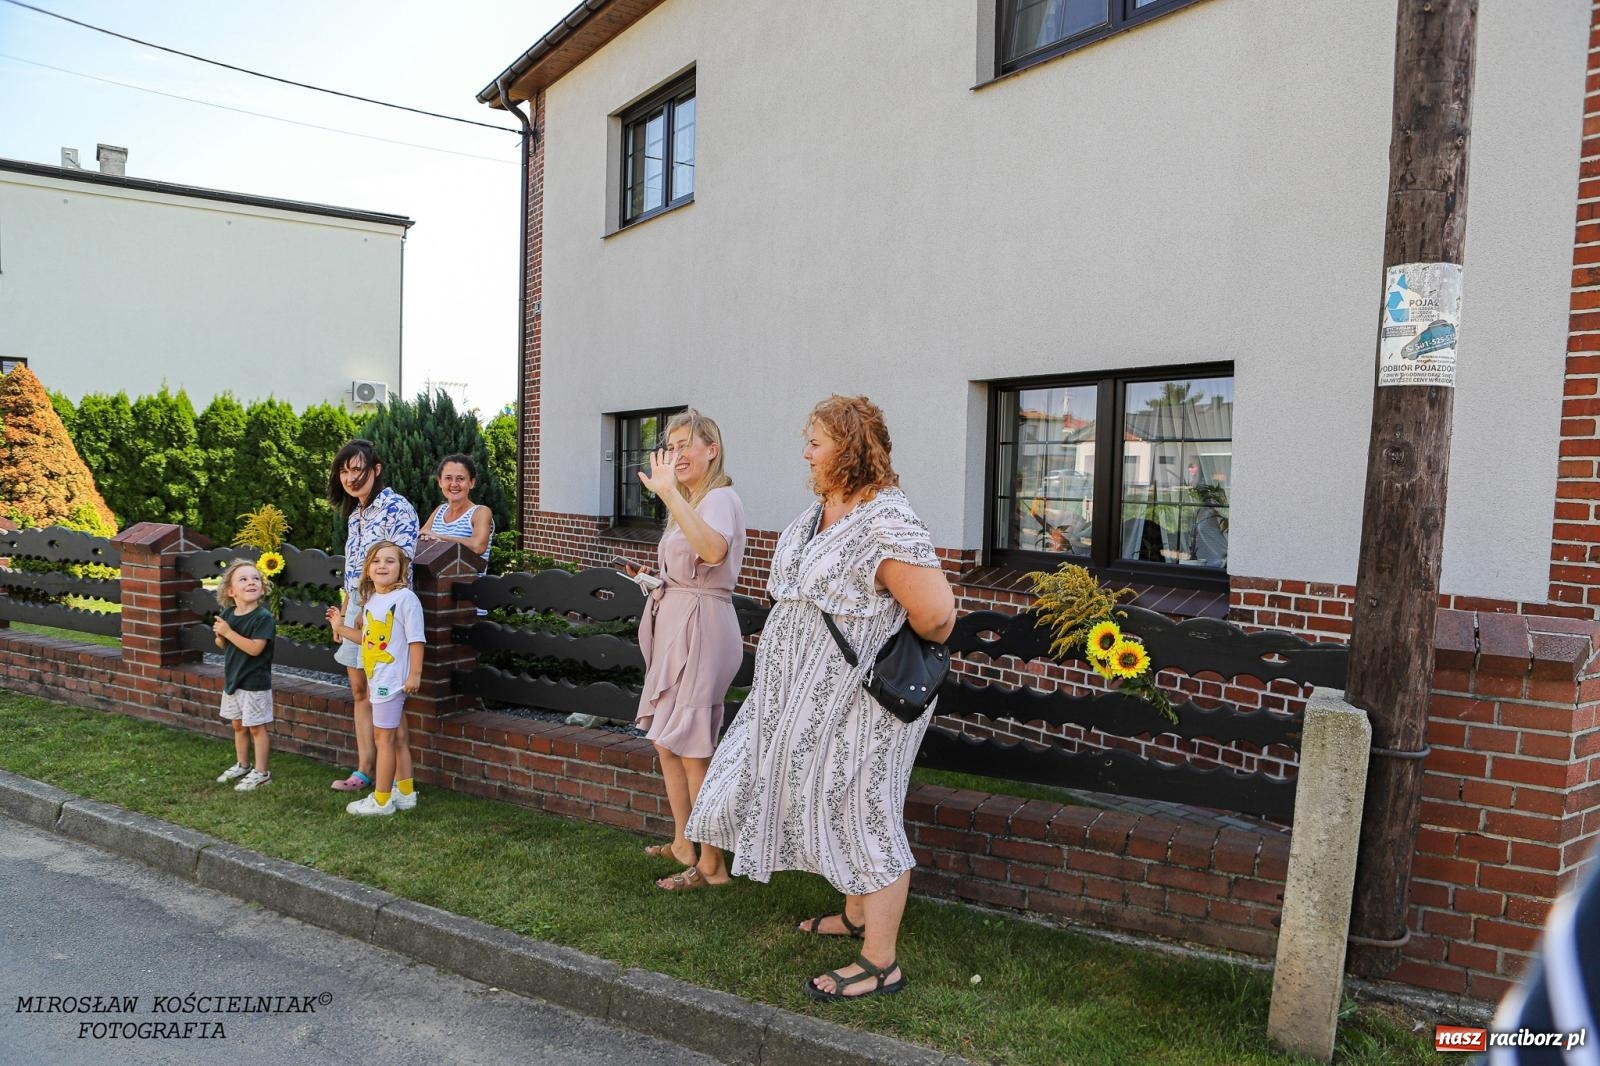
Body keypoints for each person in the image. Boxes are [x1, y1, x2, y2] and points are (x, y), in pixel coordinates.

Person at [684, 395, 956, 1002]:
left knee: (864, 808)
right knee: (827, 797)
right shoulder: (822, 510)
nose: (805, 452)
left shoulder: (886, 519)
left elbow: (937, 616)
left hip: (863, 700)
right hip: (800, 697)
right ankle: (856, 915)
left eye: (816, 441)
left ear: (850, 449)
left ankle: (880, 963)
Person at [629, 410, 746, 878]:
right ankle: (683, 843)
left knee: (693, 746)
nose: (675, 455)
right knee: (666, 743)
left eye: (684, 445)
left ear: (711, 450)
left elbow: (713, 552)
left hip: (702, 628)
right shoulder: (691, 501)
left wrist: (670, 495)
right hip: (677, 621)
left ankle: (713, 864)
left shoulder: (720, 498)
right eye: (670, 446)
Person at [324, 439, 419, 793]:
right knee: (359, 689)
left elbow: (400, 564)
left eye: (357, 469)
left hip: (383, 612)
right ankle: (365, 770)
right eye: (343, 471)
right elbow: (353, 569)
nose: (350, 478)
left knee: (386, 691)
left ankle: (397, 778)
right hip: (356, 606)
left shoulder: (397, 508)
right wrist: (346, 611)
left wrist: (371, 608)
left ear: (376, 470)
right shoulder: (356, 514)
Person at [328, 541, 424, 817]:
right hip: (379, 679)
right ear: (368, 569)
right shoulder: (372, 600)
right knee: (396, 737)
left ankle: (381, 800)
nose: (382, 565)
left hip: (391, 682)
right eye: (376, 561)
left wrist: (414, 674)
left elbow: (417, 639)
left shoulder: (405, 599)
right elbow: (368, 640)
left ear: (401, 568)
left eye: (390, 561)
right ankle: (405, 793)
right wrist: (339, 627)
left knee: (384, 740)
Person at [212, 559, 276, 792]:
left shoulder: (263, 618)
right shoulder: (229, 614)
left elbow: (255, 649)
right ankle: (243, 765)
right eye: (244, 579)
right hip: (234, 680)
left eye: (255, 578)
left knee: (256, 727)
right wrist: (221, 636)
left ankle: (262, 773)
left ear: (262, 587)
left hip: (254, 683)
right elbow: (223, 644)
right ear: (231, 591)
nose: (251, 582)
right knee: (238, 725)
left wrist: (228, 633)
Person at [418, 453, 494, 573]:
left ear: (471, 482)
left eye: (460, 479)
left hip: (469, 583)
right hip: (433, 581)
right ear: (440, 482)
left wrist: (438, 537)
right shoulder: (440, 511)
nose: (454, 484)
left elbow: (478, 546)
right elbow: (421, 538)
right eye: (448, 478)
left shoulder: (480, 512)